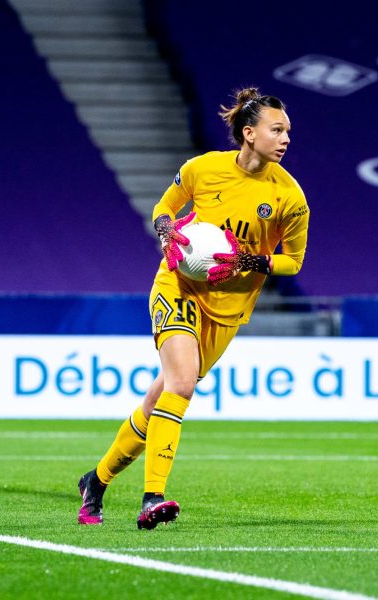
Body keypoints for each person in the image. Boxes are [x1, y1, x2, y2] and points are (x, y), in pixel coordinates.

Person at [77, 87, 310, 529]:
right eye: (276, 129)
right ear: (249, 133)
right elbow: (165, 207)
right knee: (182, 385)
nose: (285, 139)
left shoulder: (290, 198)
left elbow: (292, 261)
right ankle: (152, 498)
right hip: (178, 287)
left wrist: (248, 260)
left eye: (288, 131)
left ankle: (96, 481)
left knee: (157, 401)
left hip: (228, 310)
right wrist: (166, 230)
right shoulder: (202, 169)